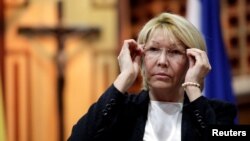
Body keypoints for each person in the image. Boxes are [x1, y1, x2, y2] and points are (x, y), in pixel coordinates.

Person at [68, 12, 237, 141]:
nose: (162, 61)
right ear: (141, 55)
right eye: (154, 50)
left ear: (192, 61)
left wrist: (193, 86)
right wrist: (123, 78)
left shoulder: (220, 112)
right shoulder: (123, 110)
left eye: (175, 52)